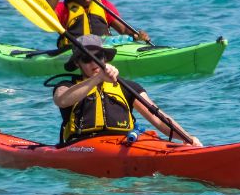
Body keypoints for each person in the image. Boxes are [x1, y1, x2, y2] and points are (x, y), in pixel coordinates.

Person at [48, 34, 202, 146]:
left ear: (105, 58)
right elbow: (61, 100)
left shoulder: (128, 87)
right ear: (77, 64)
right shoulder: (67, 86)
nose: (93, 62)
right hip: (83, 146)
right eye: (87, 59)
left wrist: (187, 138)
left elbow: (158, 118)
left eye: (98, 56)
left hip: (123, 144)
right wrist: (97, 78)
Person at [45, 0, 150, 49]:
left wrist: (137, 35)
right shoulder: (64, 8)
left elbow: (123, 30)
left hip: (105, 47)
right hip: (75, 50)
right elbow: (45, 12)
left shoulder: (103, 4)